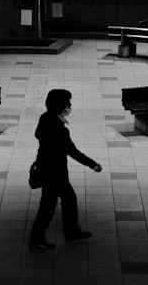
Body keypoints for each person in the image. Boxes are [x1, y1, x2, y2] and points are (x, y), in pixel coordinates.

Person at [29, 88, 102, 250]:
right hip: (55, 173)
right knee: (48, 207)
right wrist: (93, 164)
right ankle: (37, 240)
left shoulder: (45, 118)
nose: (69, 105)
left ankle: (71, 232)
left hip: (47, 169)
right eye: (67, 102)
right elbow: (72, 152)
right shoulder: (59, 129)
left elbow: (38, 135)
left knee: (68, 199)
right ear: (59, 105)